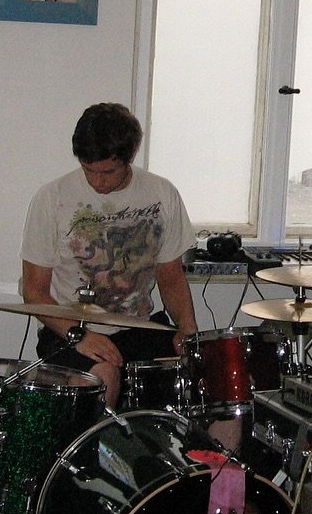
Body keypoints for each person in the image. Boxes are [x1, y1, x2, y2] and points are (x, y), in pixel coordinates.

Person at [19, 103, 199, 408]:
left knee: (207, 377)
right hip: (68, 331)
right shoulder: (52, 198)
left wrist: (187, 328)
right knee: (103, 376)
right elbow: (34, 291)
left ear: (129, 158)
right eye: (89, 170)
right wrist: (79, 336)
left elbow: (170, 277)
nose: (97, 182)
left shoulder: (161, 193)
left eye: (108, 172)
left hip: (141, 327)